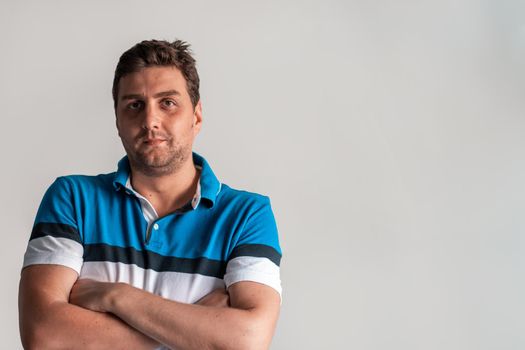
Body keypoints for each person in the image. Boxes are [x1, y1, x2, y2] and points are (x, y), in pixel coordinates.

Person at [19, 39, 282, 350]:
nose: (150, 121)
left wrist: (116, 296)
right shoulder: (73, 199)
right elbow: (45, 336)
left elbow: (247, 340)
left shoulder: (246, 214)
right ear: (117, 119)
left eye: (167, 102)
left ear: (196, 117)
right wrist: (199, 328)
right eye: (134, 105)